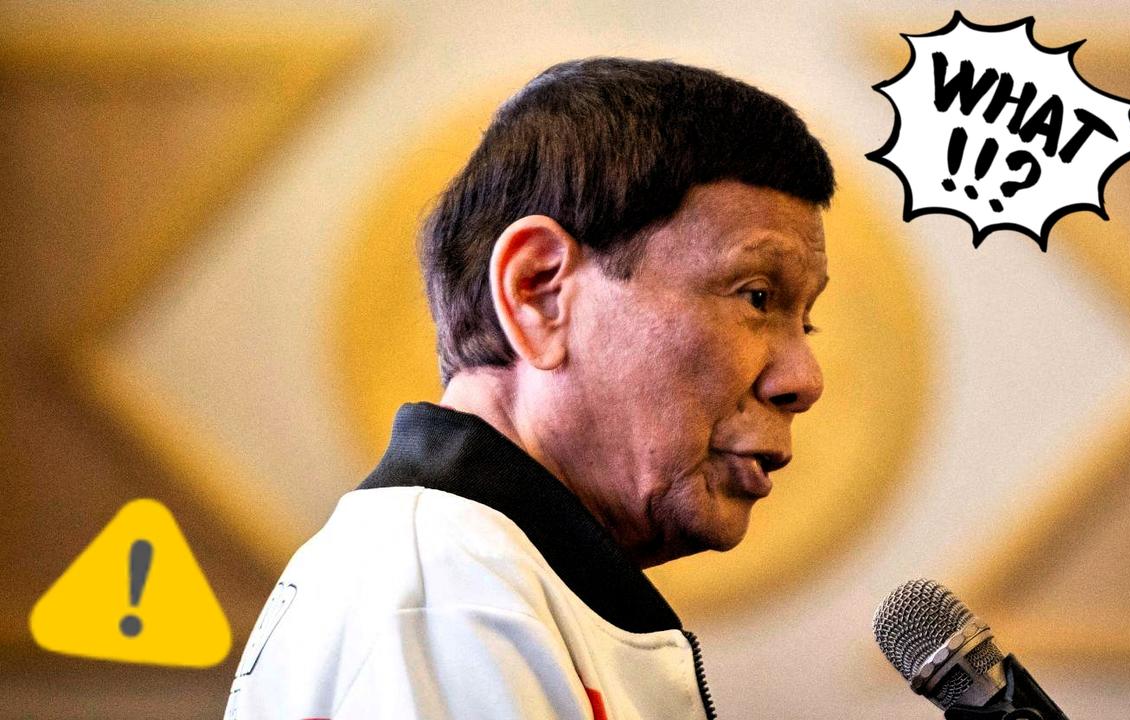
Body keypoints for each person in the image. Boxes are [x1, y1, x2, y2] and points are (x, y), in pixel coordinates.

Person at [224, 57, 834, 720]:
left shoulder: (477, 585)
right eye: (757, 296)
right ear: (540, 292)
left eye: (805, 321)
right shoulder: (446, 601)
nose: (805, 381)